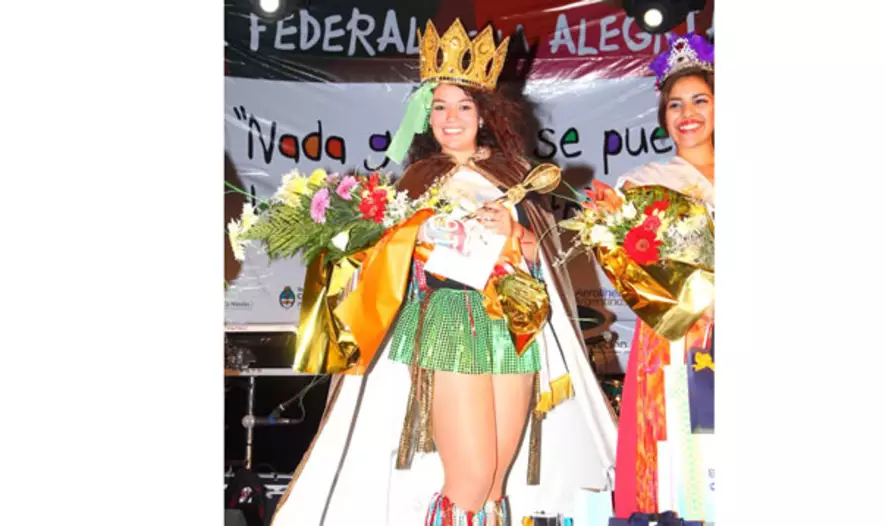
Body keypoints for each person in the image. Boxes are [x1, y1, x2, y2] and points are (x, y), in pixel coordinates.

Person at [269, 19, 618, 526]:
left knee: (495, 482)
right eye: (439, 107)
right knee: (470, 479)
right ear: (424, 114)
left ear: (485, 113)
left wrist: (514, 234)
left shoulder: (516, 174)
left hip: (513, 326)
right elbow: (389, 266)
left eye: (463, 106)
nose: (450, 118)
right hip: (452, 320)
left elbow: (542, 257)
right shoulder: (415, 182)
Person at [612, 33, 716, 523]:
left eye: (700, 100)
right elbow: (634, 268)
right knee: (682, 453)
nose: (687, 113)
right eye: (675, 104)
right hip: (678, 335)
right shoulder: (646, 183)